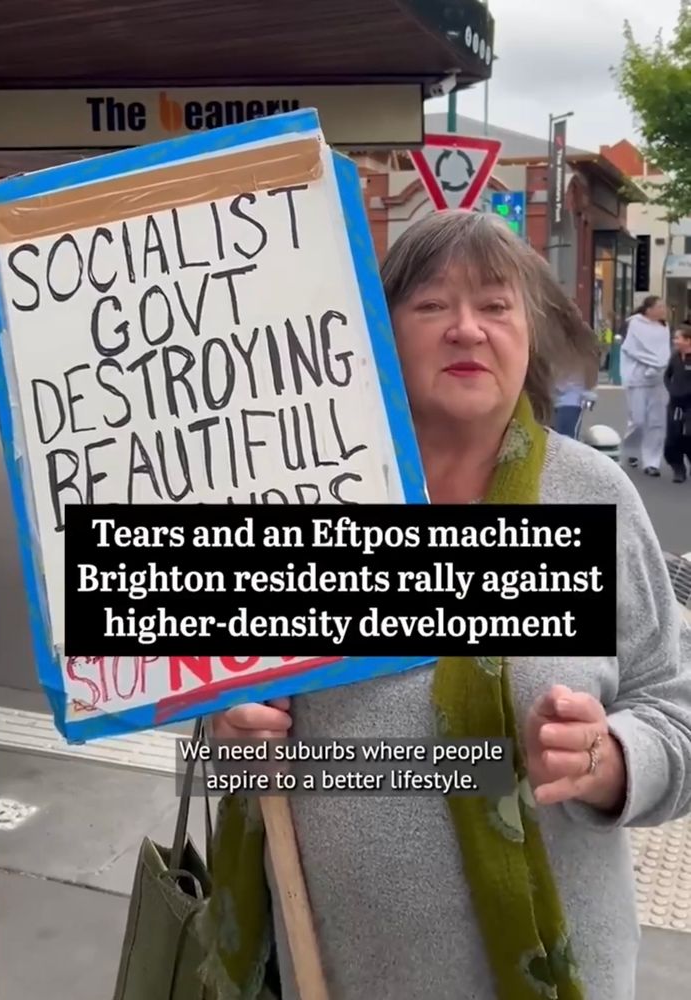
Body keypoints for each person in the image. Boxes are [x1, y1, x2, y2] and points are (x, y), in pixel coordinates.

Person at [197, 211, 691, 1000]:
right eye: (431, 305)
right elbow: (226, 718)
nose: (466, 328)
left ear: (530, 331)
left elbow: (674, 712)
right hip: (336, 976)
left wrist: (612, 760)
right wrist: (230, 732)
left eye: (495, 304)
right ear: (379, 333)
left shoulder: (595, 498)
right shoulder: (304, 502)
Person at [620, 295, 671, 476]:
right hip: (637, 379)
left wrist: (660, 365)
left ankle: (652, 462)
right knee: (638, 420)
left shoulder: (664, 327)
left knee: (657, 422)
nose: (663, 310)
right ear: (649, 309)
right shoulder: (634, 324)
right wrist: (652, 362)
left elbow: (664, 351)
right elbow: (631, 348)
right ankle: (631, 451)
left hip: (658, 379)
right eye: (660, 306)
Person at [663, 325, 691, 483]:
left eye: (678, 338)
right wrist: (671, 389)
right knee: (673, 437)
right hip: (675, 404)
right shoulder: (675, 357)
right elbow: (667, 375)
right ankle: (678, 468)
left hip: (690, 404)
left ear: (688, 340)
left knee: (689, 435)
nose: (675, 341)